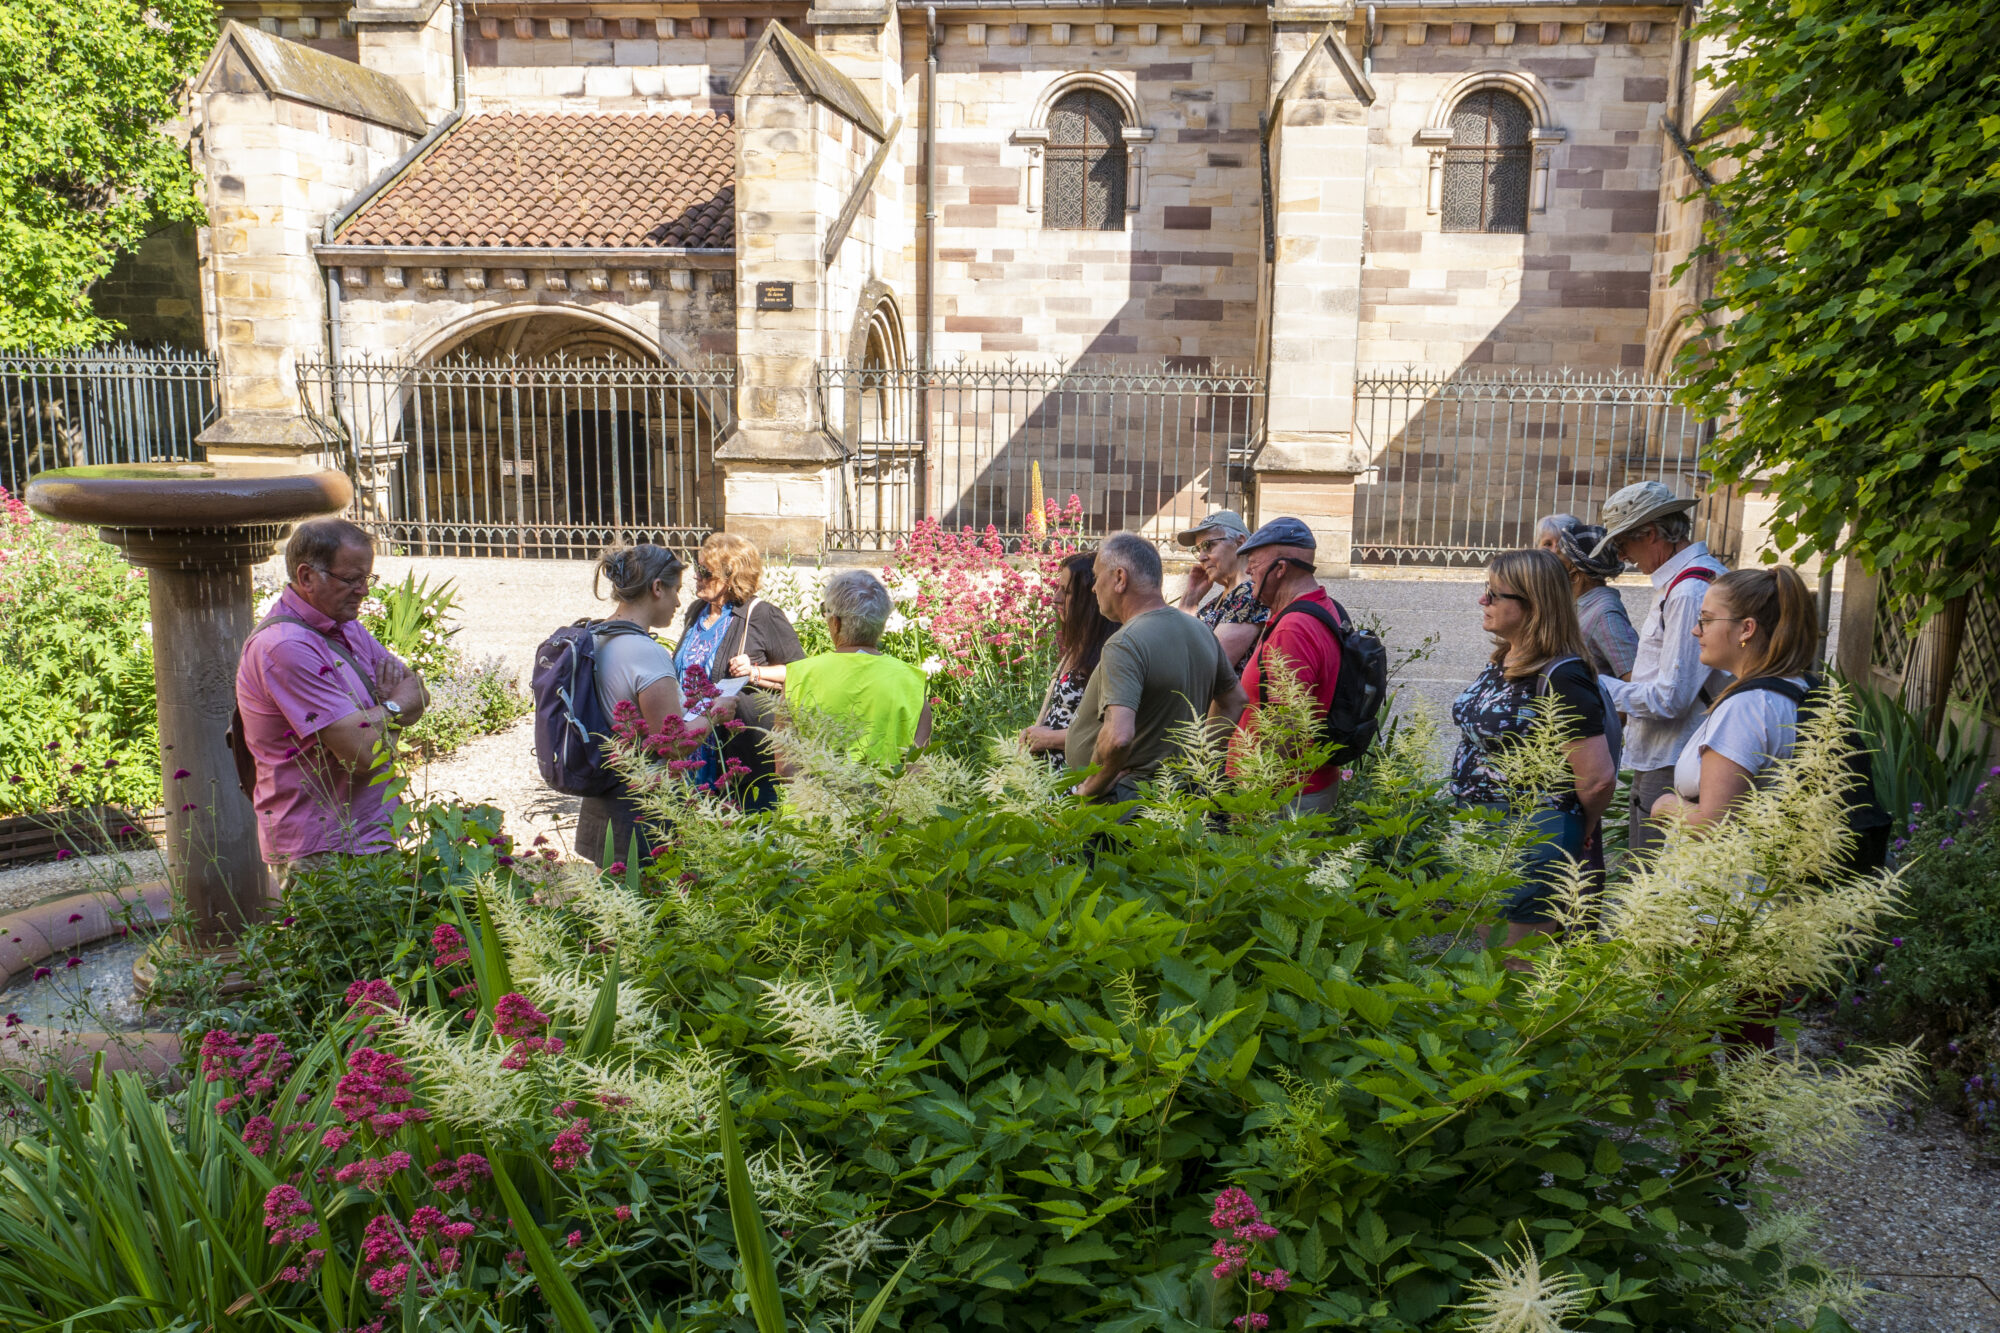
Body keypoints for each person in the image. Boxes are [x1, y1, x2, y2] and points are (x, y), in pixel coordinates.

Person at [235, 518, 429, 875]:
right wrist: (392, 707)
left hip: (368, 831)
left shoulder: (345, 625)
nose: (364, 591)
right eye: (351, 580)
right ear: (307, 576)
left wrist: (384, 715)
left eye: (367, 579)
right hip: (323, 847)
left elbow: (417, 690)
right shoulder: (285, 647)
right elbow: (361, 752)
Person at [1449, 549, 1618, 952]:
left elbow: (1596, 779)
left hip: (1532, 835)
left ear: (1533, 605)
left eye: (1494, 594)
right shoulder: (1506, 658)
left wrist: (1586, 828)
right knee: (1490, 963)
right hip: (1490, 833)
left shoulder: (1563, 676)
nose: (1482, 601)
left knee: (1518, 967)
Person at [1589, 481, 1728, 860]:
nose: (1623, 556)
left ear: (1650, 534)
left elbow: (1671, 698)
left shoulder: (1689, 591)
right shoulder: (1685, 583)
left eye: (1623, 544)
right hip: (1669, 754)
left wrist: (1595, 683)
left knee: (1650, 883)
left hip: (1676, 758)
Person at [575, 544, 737, 866]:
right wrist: (717, 712)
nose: (680, 602)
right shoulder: (646, 654)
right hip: (642, 810)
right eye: (676, 590)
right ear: (657, 588)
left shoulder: (595, 634)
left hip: (600, 797)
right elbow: (673, 746)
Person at [1066, 532, 1249, 802]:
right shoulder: (1200, 631)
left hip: (1127, 804)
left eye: (1096, 577)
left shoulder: (1125, 643)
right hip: (1177, 798)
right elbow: (1236, 701)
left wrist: (1089, 788)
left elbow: (1118, 737)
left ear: (1119, 578)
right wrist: (1198, 760)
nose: (1093, 588)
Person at [1650, 566, 1819, 832]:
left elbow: (1713, 823)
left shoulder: (1748, 707)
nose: (1696, 630)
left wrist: (1665, 805)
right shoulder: (1802, 688)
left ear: (1746, 629)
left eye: (1706, 619)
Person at [677, 532, 803, 810]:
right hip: (693, 744)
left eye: (705, 571)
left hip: (738, 755)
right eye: (696, 568)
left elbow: (801, 673)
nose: (696, 577)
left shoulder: (762, 615)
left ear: (731, 576)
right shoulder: (696, 611)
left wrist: (755, 672)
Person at [1232, 518, 1345, 813]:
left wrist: (1255, 797)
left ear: (1280, 569)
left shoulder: (1293, 629)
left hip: (1283, 796)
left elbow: (1288, 727)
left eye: (1254, 563)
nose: (1247, 571)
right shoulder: (1324, 607)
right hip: (1303, 787)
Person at [784, 569, 933, 766]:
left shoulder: (799, 676)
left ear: (836, 623)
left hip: (815, 794)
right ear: (882, 623)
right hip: (890, 795)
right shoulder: (910, 680)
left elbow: (785, 768)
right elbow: (918, 769)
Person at [1021, 551, 1120, 764]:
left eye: (1066, 592)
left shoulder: (1110, 652)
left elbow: (1115, 732)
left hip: (1080, 783)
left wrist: (1050, 738)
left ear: (1090, 595)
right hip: (1054, 783)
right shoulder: (1079, 647)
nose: (1055, 598)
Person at [1536, 513, 1638, 681]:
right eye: (1548, 545)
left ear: (1575, 569)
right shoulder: (1577, 604)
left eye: (1560, 552)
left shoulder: (1605, 614)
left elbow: (1635, 681)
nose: (1553, 555)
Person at [1173, 509, 1268, 670]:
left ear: (1240, 542)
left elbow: (1208, 667)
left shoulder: (1251, 595)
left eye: (1208, 545)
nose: (1201, 557)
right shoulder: (1219, 601)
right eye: (1198, 550)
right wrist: (1190, 599)